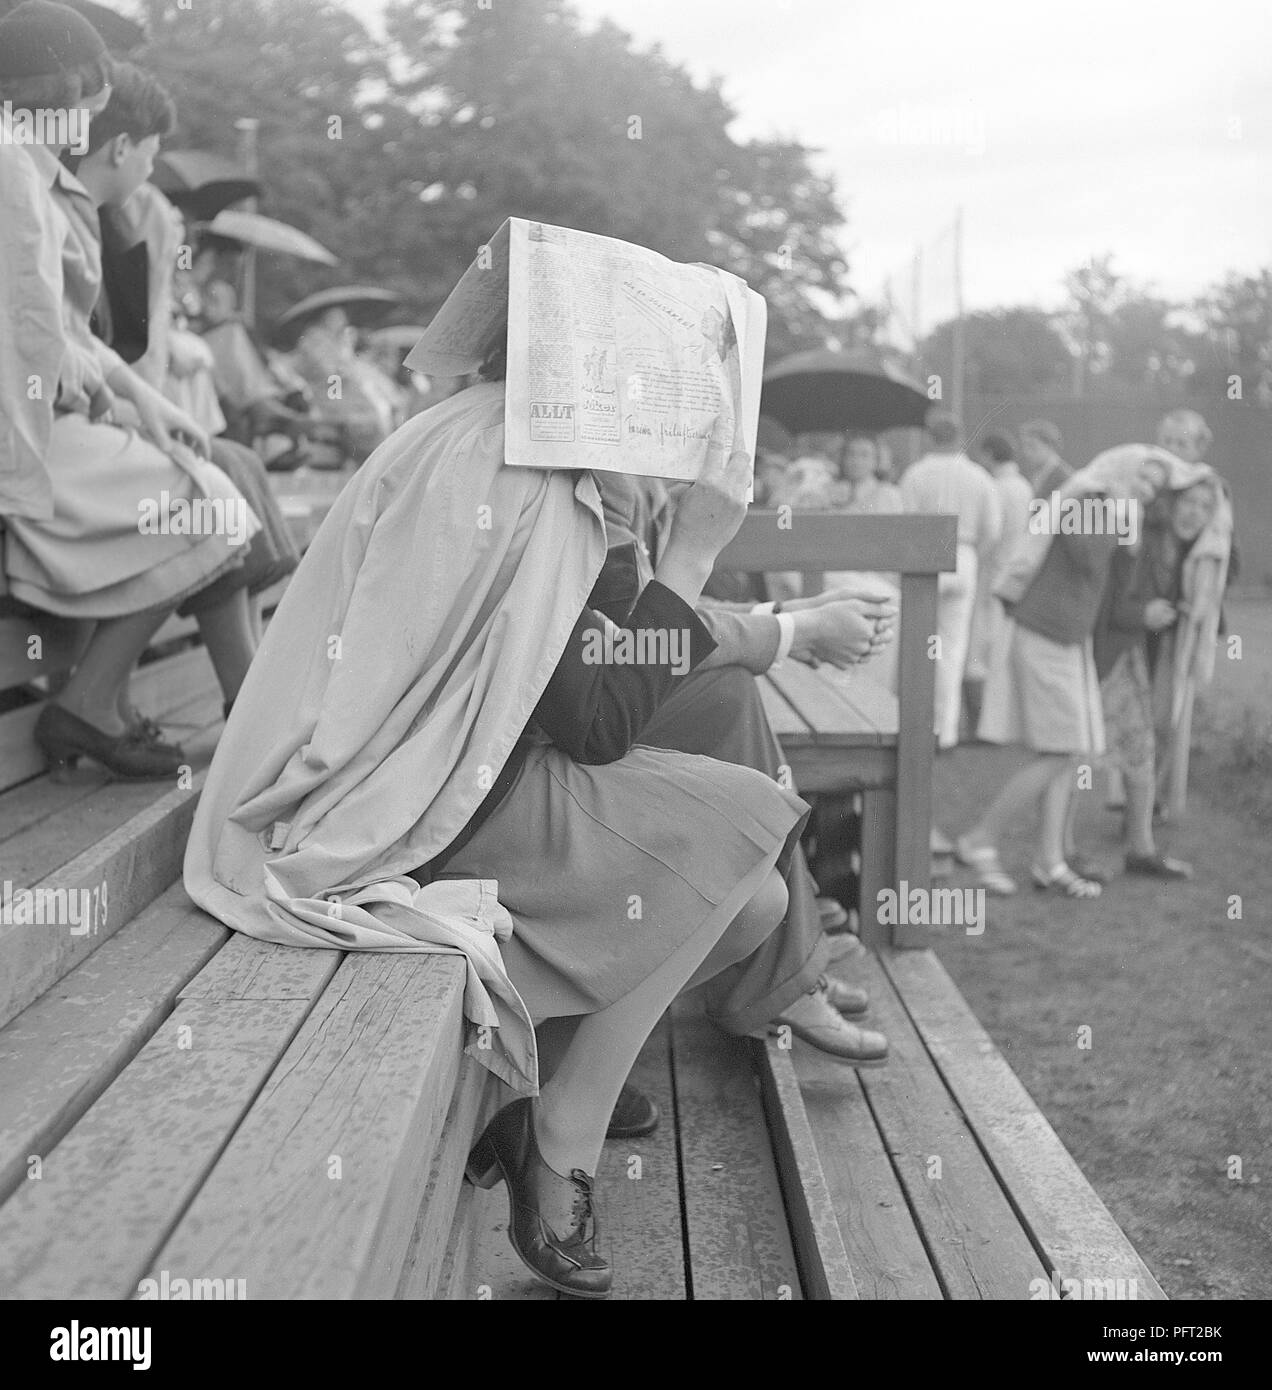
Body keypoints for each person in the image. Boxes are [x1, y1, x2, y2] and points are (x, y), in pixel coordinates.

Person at [185, 340, 838, 1297]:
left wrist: (632, 534)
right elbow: (599, 722)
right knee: (748, 825)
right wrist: (697, 546)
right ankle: (559, 1133)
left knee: (752, 906)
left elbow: (584, 677)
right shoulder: (523, 476)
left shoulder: (473, 436)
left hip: (403, 783)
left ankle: (536, 1094)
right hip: (411, 809)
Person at [0, 1, 260, 779]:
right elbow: (35, 339)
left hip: (35, 418)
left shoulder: (23, 163)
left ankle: (93, 703)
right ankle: (92, 704)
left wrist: (138, 401)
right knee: (215, 503)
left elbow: (56, 336)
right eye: (94, 94)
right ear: (71, 93)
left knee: (214, 495)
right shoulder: (14, 170)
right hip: (22, 436)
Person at [595, 472, 896, 1070]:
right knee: (724, 696)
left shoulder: (621, 468)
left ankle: (791, 953)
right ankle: (786, 968)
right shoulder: (600, 472)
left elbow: (661, 612)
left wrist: (785, 615)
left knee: (725, 695)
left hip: (578, 697)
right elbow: (640, 632)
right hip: (546, 726)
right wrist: (793, 630)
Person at [77, 62, 299, 681]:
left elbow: (104, 345)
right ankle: (243, 689)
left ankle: (245, 685)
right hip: (68, 433)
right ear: (119, 146)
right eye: (150, 155)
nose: (153, 172)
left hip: (98, 415)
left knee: (233, 465)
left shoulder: (111, 214)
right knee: (215, 478)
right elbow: (103, 346)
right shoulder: (99, 215)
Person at [957, 446, 1170, 898]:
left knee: (1070, 752)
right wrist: (1122, 518)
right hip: (1044, 631)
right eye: (1143, 478)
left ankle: (1049, 861)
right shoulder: (1088, 498)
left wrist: (1127, 531)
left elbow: (1113, 580)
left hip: (1069, 637)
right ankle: (980, 839)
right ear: (1122, 468)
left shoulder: (1110, 508)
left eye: (1155, 486)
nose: (1147, 491)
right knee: (1061, 749)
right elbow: (1090, 556)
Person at [1094, 469, 1225, 878]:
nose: (1195, 513)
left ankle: (1140, 849)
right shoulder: (1143, 540)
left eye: (1206, 507)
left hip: (1131, 654)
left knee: (1138, 747)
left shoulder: (1181, 550)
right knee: (1076, 753)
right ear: (1170, 501)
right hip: (1108, 653)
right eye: (1189, 502)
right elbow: (1108, 603)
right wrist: (1144, 613)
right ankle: (1056, 854)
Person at [898, 410, 1002, 749]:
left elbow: (904, 521)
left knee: (917, 643)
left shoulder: (915, 473)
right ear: (960, 436)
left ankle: (916, 725)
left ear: (931, 437)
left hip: (925, 555)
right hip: (964, 555)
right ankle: (945, 731)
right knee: (952, 648)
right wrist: (973, 557)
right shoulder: (979, 476)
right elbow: (993, 530)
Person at [965, 429, 1033, 728]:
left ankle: (982, 722)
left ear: (990, 454)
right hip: (1013, 577)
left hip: (992, 574)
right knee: (998, 649)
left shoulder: (996, 487)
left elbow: (991, 534)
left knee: (978, 650)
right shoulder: (1023, 486)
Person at [1018, 418, 1071, 497]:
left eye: (1032, 446)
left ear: (1050, 445)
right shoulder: (1036, 473)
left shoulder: (1064, 478)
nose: (1026, 452)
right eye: (1024, 446)